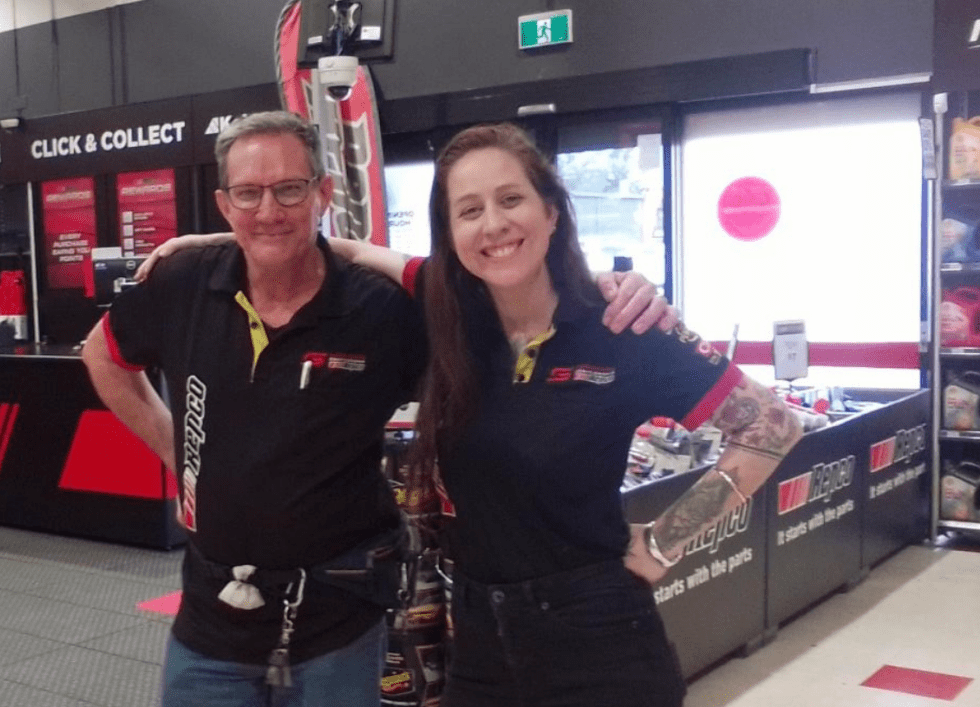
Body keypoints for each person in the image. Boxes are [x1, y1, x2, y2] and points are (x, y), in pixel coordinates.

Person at [82, 110, 674, 707]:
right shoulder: (181, 282)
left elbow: (501, 290)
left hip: (340, 621)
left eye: (289, 189)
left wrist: (600, 288)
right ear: (224, 202)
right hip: (211, 625)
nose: (269, 209)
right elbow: (100, 356)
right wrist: (178, 450)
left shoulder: (386, 310)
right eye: (248, 194)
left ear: (322, 193)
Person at [321, 123, 803, 706]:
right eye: (468, 210)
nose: (493, 225)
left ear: (551, 212)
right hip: (477, 643)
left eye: (511, 199)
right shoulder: (450, 310)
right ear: (450, 234)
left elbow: (772, 425)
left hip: (599, 640)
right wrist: (203, 248)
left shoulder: (622, 324)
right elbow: (345, 251)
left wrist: (662, 543)